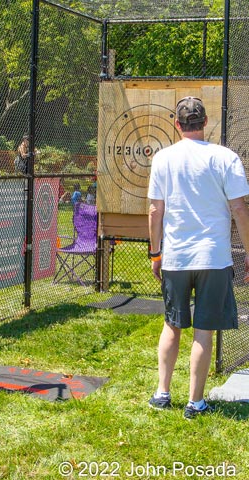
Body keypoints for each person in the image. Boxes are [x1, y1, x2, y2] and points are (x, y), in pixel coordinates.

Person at [147, 96, 249, 419]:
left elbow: (154, 210)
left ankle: (163, 394)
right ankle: (195, 402)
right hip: (214, 258)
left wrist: (155, 252)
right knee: (203, 330)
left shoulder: (163, 159)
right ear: (205, 122)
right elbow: (239, 209)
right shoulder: (226, 158)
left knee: (171, 325)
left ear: (177, 124)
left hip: (175, 257)